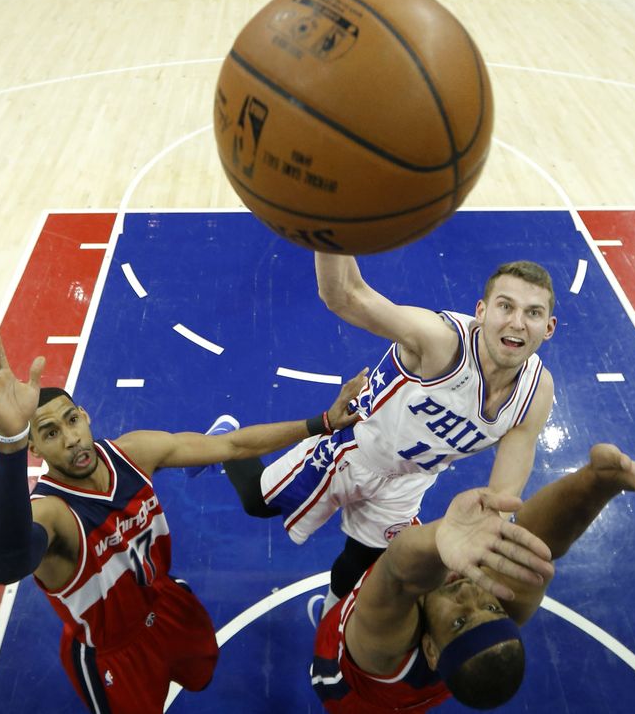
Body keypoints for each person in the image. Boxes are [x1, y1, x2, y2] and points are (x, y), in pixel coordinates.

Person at [0, 332, 363, 714]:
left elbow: (234, 445)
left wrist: (323, 421)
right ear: (35, 448)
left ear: (85, 416)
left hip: (164, 600)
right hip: (112, 650)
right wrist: (9, 441)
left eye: (72, 420)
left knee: (202, 672)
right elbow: (5, 563)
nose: (70, 439)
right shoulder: (52, 512)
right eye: (50, 433)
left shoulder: (134, 452)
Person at [224, 253, 557, 616]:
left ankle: (331, 622)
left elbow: (502, 496)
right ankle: (227, 442)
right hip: (352, 451)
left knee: (362, 561)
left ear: (549, 327)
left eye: (533, 313)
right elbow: (345, 295)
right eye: (505, 306)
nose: (517, 323)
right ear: (481, 311)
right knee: (257, 505)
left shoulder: (536, 393)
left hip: (408, 482)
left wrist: (484, 532)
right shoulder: (441, 342)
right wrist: (329, 229)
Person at [310, 444, 635, 712]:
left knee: (354, 577)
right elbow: (537, 543)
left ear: (429, 649)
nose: (470, 597)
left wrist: (437, 537)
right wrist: (603, 480)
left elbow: (395, 570)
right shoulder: (482, 619)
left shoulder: (384, 651)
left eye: (460, 621)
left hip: (346, 685)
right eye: (491, 607)